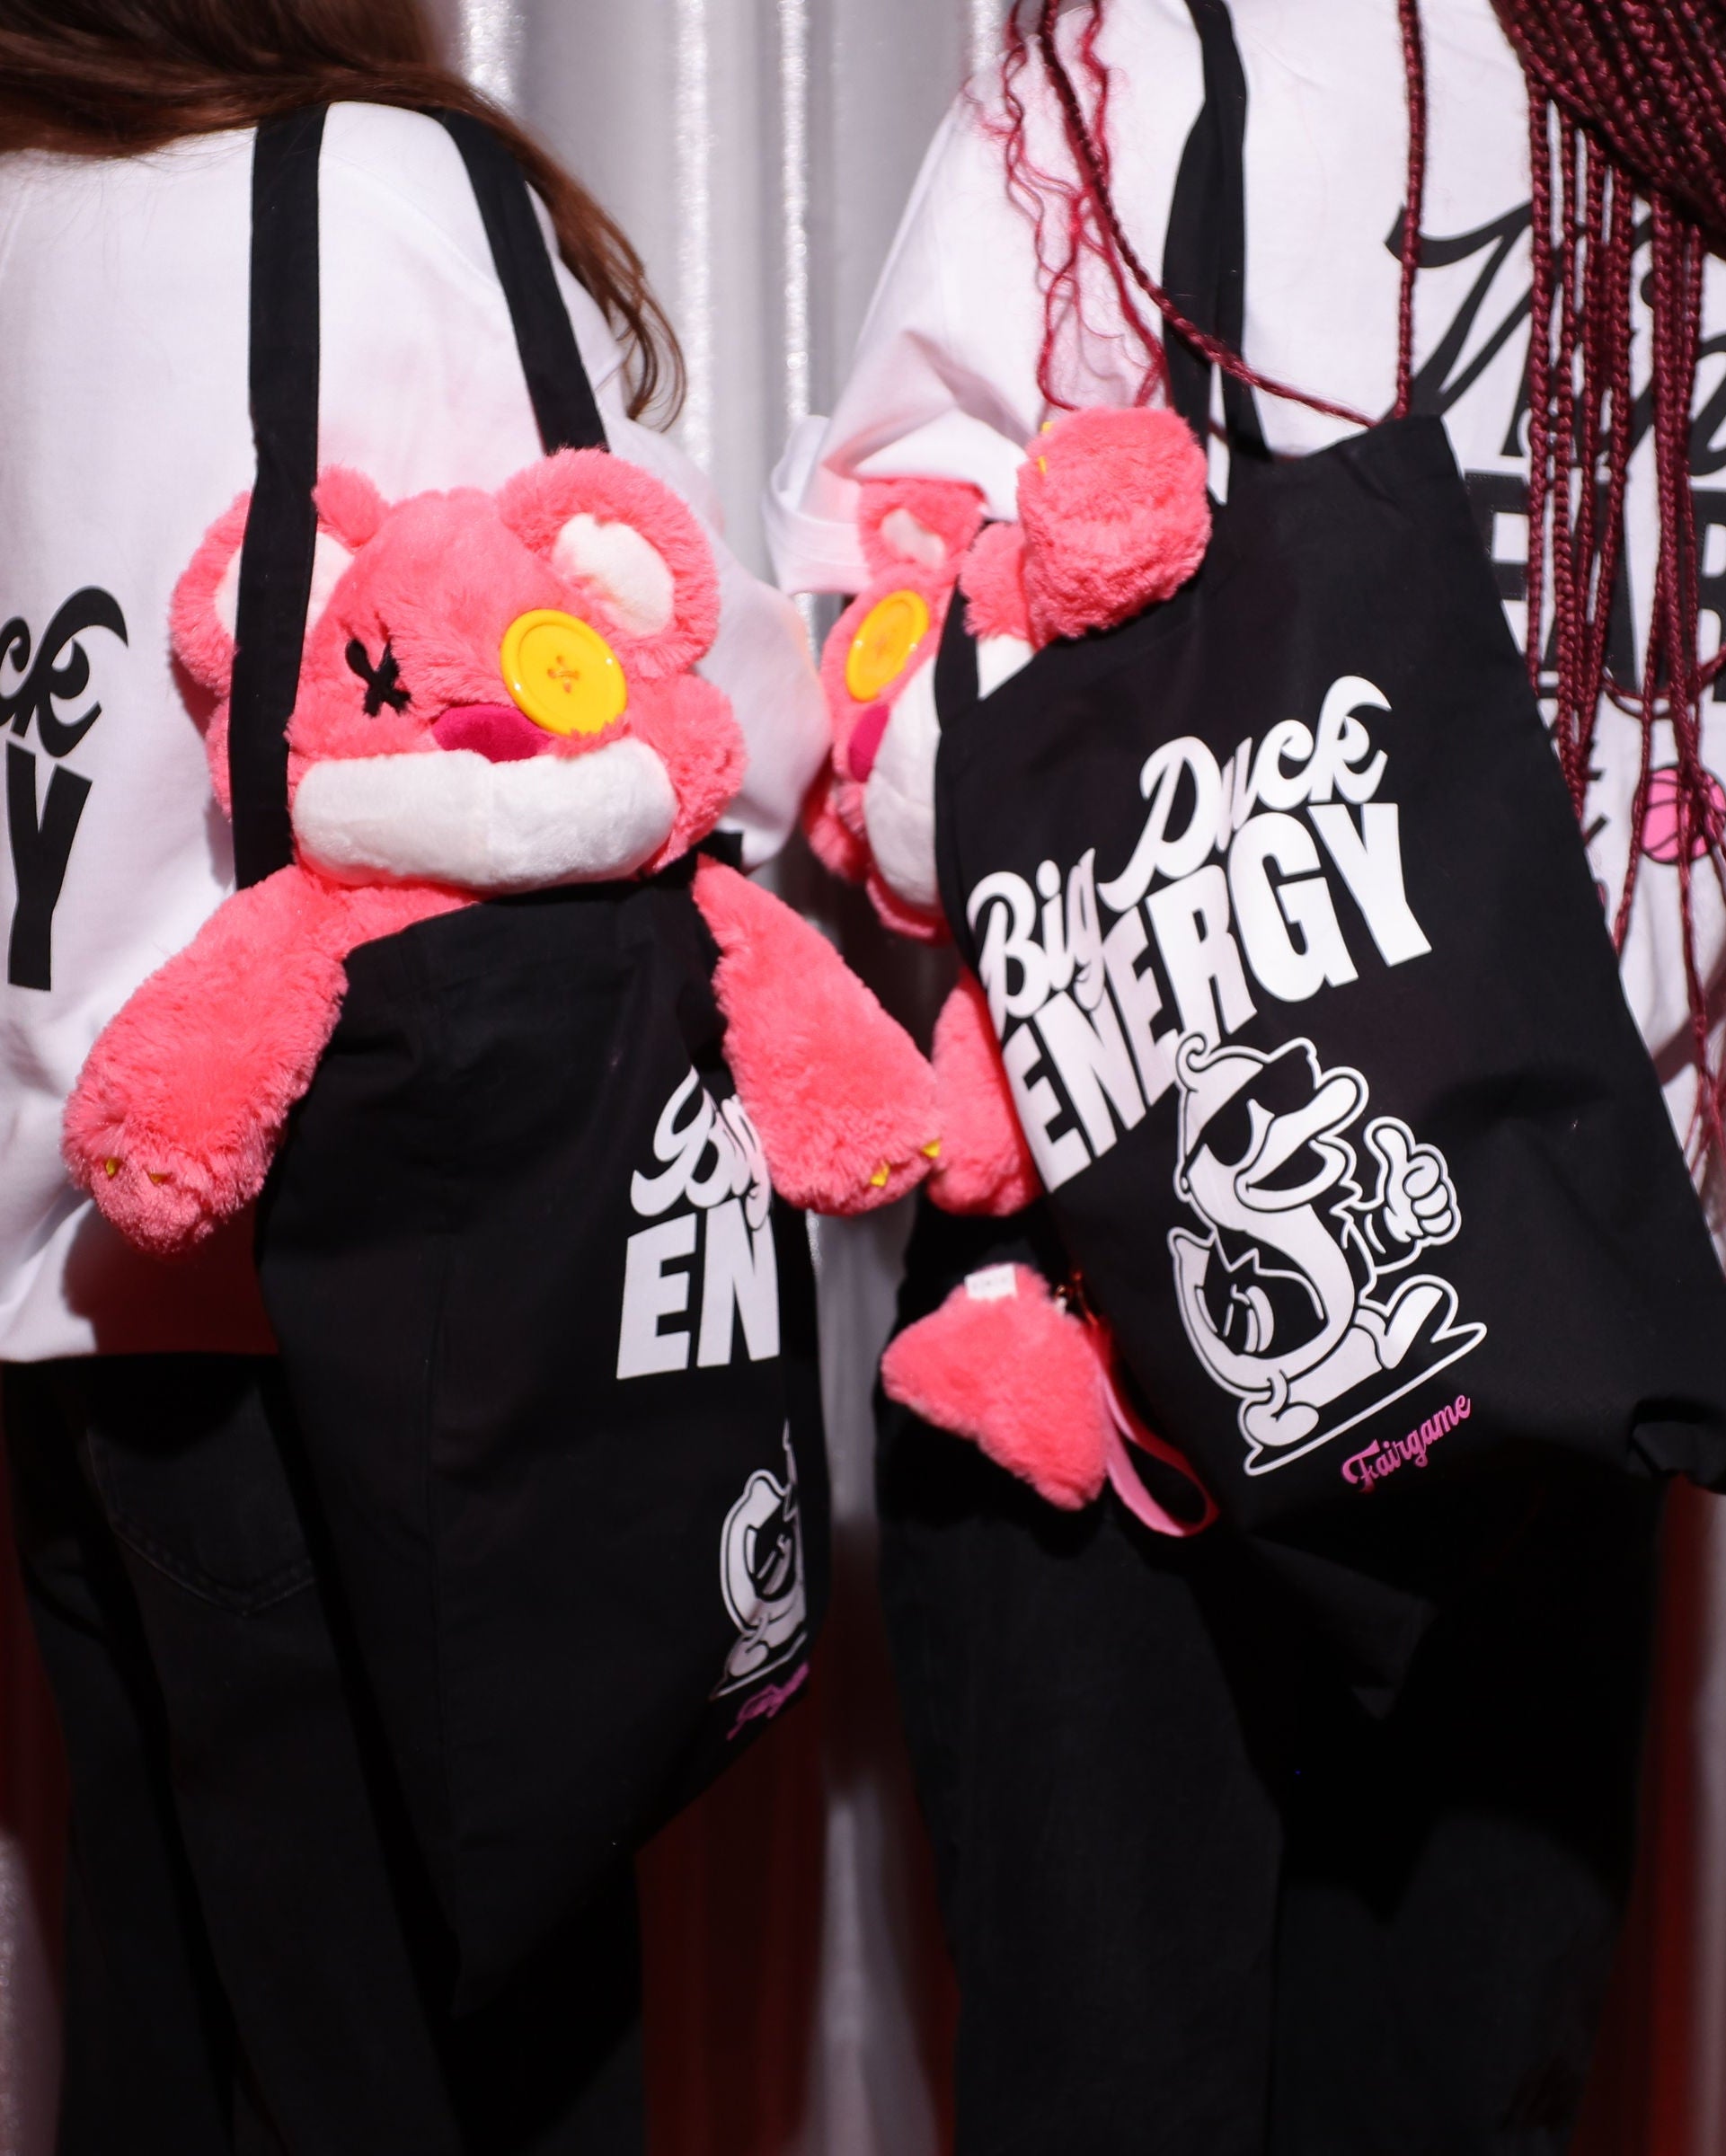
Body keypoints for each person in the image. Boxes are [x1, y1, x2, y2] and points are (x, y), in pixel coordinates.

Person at [771, 0, 1722, 2149]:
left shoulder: (1179, 53)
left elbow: (904, 709)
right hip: (1400, 1282)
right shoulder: (1182, 60)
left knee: (1154, 2080)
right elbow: (896, 670)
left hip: (1323, 1293)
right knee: (1445, 2077)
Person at [0, 4, 826, 2150]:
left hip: (73, 1303)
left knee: (177, 2042)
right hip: (365, 1277)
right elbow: (626, 680)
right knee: (467, 2067)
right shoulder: (359, 179)